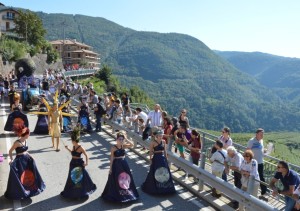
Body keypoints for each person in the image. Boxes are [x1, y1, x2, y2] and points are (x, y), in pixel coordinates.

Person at [5, 126, 45, 199]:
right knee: (20, 176)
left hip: (26, 159)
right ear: (26, 134)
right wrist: (11, 159)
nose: (29, 135)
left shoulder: (25, 141)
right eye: (29, 134)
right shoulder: (17, 142)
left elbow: (25, 151)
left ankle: (29, 189)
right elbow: (10, 151)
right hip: (19, 161)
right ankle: (21, 191)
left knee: (29, 175)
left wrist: (30, 156)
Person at [101, 131, 139, 202]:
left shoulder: (123, 146)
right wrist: (110, 168)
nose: (121, 141)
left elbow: (132, 144)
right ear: (117, 139)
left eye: (122, 139)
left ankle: (126, 192)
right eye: (119, 139)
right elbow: (112, 158)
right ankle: (117, 194)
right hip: (117, 164)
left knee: (126, 177)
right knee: (117, 179)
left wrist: (126, 139)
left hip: (124, 163)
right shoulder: (113, 148)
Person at [61, 127, 96, 199]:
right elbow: (73, 153)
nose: (71, 141)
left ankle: (79, 192)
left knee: (78, 178)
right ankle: (73, 191)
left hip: (78, 163)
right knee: (72, 177)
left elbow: (86, 155)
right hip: (72, 163)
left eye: (72, 140)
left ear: (75, 140)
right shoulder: (74, 146)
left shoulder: (80, 147)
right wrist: (67, 148)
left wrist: (86, 163)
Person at [142, 130, 176, 194]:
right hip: (156, 158)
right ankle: (155, 186)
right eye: (160, 136)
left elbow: (165, 151)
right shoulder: (153, 143)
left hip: (162, 158)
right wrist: (150, 159)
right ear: (157, 136)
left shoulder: (164, 141)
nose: (161, 137)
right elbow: (151, 151)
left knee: (164, 171)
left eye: (162, 136)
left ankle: (165, 186)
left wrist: (166, 158)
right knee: (155, 171)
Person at [247, 128, 268, 200]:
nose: (262, 136)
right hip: (253, 163)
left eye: (263, 134)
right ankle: (250, 190)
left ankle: (263, 192)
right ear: (257, 134)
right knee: (252, 176)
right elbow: (248, 151)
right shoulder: (251, 141)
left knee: (261, 177)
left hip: (260, 162)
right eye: (261, 134)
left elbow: (261, 149)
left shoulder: (261, 141)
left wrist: (264, 151)